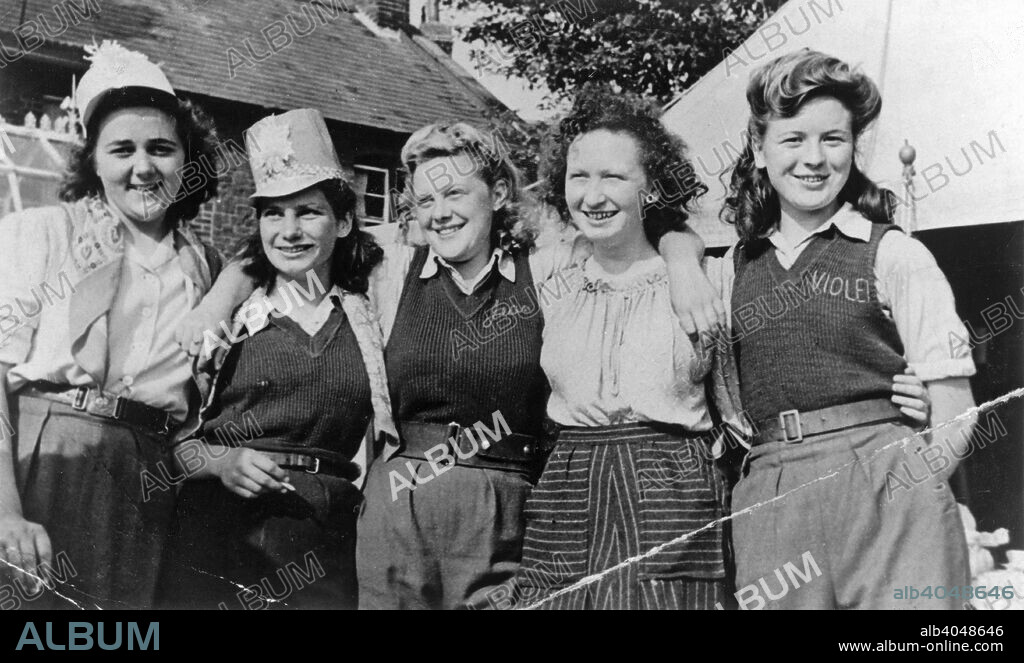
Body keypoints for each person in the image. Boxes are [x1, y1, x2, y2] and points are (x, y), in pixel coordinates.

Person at [180, 121, 716, 610]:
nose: (440, 212)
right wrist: (216, 302)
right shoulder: (391, 267)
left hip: (507, 505)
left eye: (456, 192)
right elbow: (291, 243)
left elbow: (635, 232)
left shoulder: (550, 265)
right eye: (425, 199)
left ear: (499, 195)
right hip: (400, 503)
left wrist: (683, 261)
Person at [713, 49, 976, 609]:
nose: (814, 158)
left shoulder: (896, 254)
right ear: (759, 150)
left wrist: (913, 488)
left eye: (833, 139)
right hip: (772, 493)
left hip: (889, 488)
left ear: (854, 149)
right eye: (793, 140)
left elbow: (956, 407)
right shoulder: (730, 271)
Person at [0, 41, 222, 609]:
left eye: (162, 149)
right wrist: (6, 510)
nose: (143, 167)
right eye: (121, 149)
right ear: (94, 162)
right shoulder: (43, 234)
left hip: (146, 477)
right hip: (42, 454)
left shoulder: (206, 269)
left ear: (186, 160)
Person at [511, 85, 745, 610]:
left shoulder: (706, 276)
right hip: (567, 493)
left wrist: (683, 258)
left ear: (651, 187)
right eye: (579, 177)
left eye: (614, 176)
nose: (593, 197)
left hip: (673, 489)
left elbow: (739, 404)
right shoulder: (551, 274)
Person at [158, 109, 396, 610]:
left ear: (346, 220)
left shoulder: (371, 312)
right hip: (220, 526)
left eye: (308, 212)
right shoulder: (226, 318)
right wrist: (222, 461)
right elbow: (172, 445)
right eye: (273, 213)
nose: (289, 231)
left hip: (323, 536)